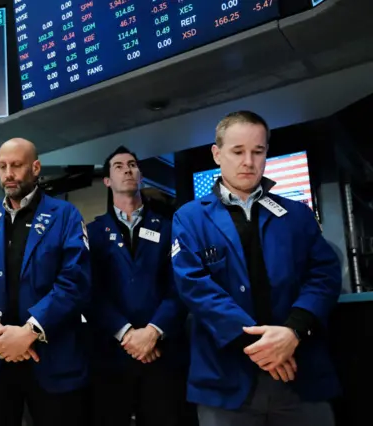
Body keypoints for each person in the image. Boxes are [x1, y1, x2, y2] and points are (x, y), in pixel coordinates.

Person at [171, 111, 342, 426]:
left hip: (299, 374)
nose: (248, 161)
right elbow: (194, 286)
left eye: (258, 151)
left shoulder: (297, 214)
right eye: (238, 151)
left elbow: (325, 275)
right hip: (226, 381)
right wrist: (263, 349)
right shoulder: (190, 217)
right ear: (217, 154)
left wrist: (293, 331)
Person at [0, 138, 91, 426]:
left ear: (36, 167)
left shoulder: (65, 216)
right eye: (2, 167)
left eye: (16, 165)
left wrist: (29, 331)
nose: (8, 174)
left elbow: (74, 280)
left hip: (51, 358)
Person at [87, 146, 191, 426]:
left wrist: (153, 333)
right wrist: (126, 334)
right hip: (111, 354)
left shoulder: (170, 227)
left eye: (132, 164)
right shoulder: (92, 232)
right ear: (107, 181)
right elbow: (90, 292)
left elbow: (181, 285)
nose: (127, 169)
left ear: (141, 175)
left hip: (163, 352)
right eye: (118, 166)